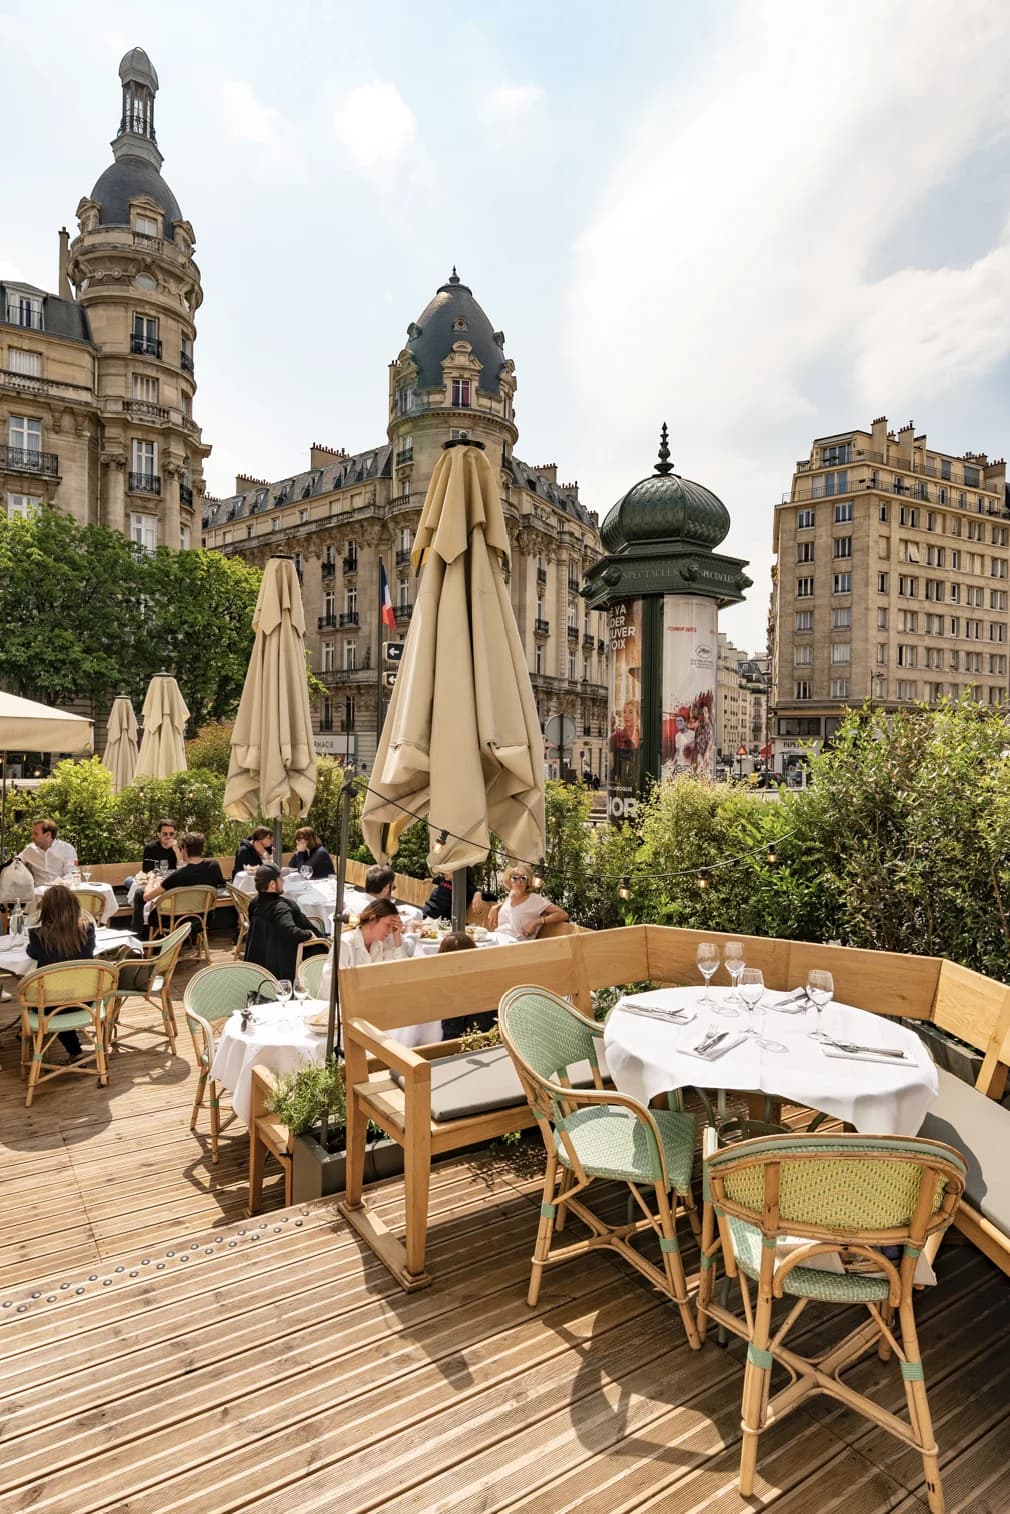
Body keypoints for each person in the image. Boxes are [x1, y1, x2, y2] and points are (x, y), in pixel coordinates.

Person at [318, 898, 438, 1047]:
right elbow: (330, 986)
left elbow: (399, 971)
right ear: (373, 919)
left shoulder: (381, 943)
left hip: (375, 1006)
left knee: (420, 1008)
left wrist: (396, 936)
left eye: (392, 927)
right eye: (387, 925)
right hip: (346, 1011)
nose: (389, 931)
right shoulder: (345, 943)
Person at [25, 886, 95, 1061]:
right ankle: (77, 1050)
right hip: (86, 999)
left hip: (50, 1004)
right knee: (61, 994)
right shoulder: (88, 930)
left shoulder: (38, 935)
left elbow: (32, 953)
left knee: (38, 996)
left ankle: (73, 1051)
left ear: (46, 909)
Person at [244, 863, 322, 982]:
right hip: (292, 964)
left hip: (262, 964)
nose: (283, 881)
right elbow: (290, 931)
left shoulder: (254, 903)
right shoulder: (280, 908)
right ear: (272, 884)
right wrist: (309, 934)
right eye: (280, 878)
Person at [143, 832, 224, 942]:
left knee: (140, 894)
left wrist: (151, 879)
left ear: (185, 849)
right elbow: (221, 883)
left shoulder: (178, 875)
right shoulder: (213, 866)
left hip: (173, 919)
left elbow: (147, 897)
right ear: (202, 848)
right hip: (203, 917)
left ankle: (143, 940)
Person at [438, 933, 497, 1039]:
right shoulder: (488, 977)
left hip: (464, 1044)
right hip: (493, 1037)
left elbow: (451, 1033)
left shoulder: (449, 988)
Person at [486, 865, 569, 941]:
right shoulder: (512, 894)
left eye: (523, 878)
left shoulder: (534, 899)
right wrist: (496, 907)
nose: (519, 882)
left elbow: (563, 914)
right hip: (499, 938)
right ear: (510, 880)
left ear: (528, 881)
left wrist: (536, 922)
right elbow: (511, 907)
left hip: (516, 945)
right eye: (515, 878)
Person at [130, 818, 183, 933]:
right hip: (154, 882)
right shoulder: (150, 847)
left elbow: (182, 868)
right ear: (158, 834)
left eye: (171, 834)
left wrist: (176, 849)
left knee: (137, 892)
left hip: (170, 886)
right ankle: (137, 934)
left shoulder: (177, 848)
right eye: (165, 834)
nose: (168, 836)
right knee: (130, 882)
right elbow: (146, 870)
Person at [20, 818, 77, 886]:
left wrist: (58, 884)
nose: (32, 837)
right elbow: (17, 861)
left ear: (48, 835)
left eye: (36, 834)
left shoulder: (66, 849)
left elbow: (71, 873)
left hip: (60, 890)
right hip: (38, 892)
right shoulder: (30, 850)